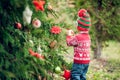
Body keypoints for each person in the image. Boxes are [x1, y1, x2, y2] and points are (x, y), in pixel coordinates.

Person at [66, 9, 91, 80]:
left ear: (79, 26)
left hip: (78, 62)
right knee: (82, 76)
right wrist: (74, 36)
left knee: (75, 75)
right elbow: (79, 42)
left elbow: (69, 42)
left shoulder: (77, 37)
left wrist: (69, 36)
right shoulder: (88, 37)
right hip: (87, 62)